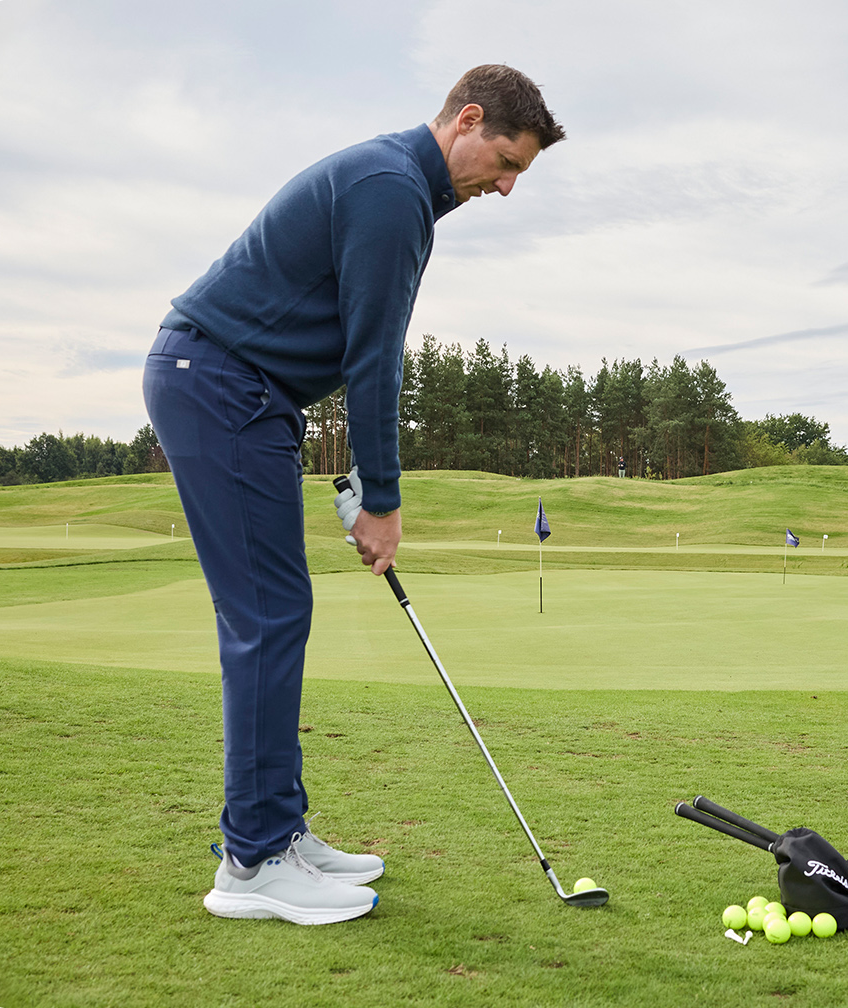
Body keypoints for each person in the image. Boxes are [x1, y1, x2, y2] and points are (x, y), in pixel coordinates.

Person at [142, 65, 564, 925]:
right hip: (221, 384)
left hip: (243, 394)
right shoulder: (389, 190)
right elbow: (377, 358)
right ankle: (253, 864)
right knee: (268, 614)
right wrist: (382, 495)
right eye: (507, 160)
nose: (508, 185)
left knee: (276, 610)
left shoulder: (397, 186)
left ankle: (276, 831)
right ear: (467, 120)